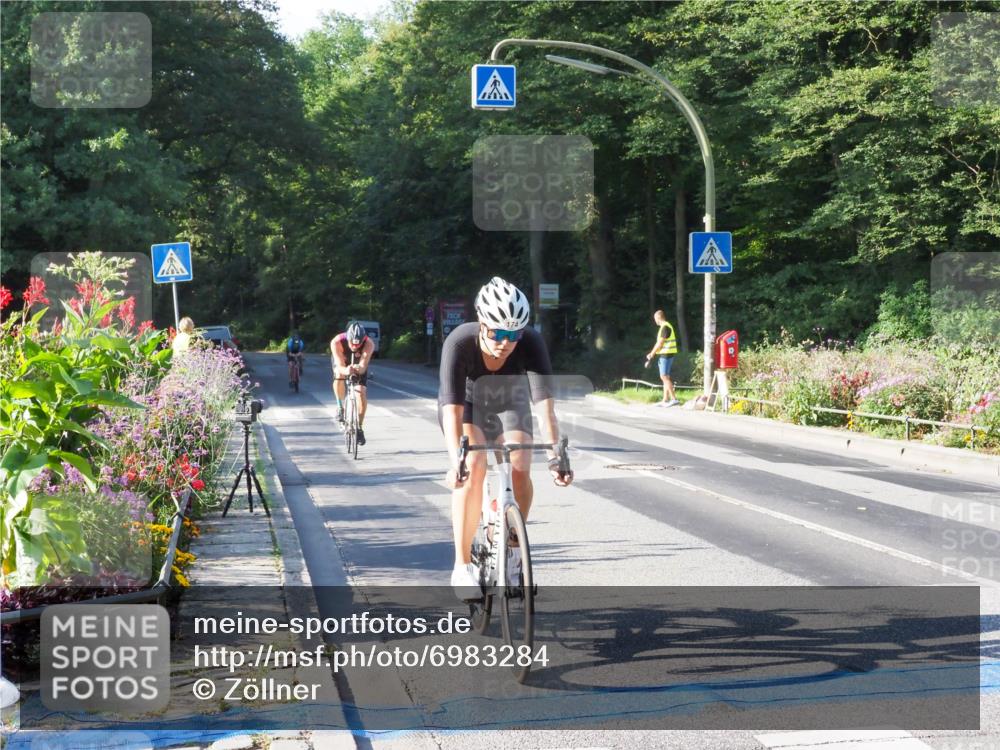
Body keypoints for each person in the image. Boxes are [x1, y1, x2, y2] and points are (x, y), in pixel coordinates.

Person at [439, 277, 573, 600]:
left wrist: (556, 456)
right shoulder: (459, 343)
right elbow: (452, 413)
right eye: (497, 333)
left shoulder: (531, 342)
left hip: (510, 401)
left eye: (513, 334)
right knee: (473, 464)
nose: (505, 342)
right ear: (481, 323)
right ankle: (461, 565)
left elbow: (544, 408)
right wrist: (455, 461)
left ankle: (513, 554)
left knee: (521, 463)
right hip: (468, 403)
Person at [330, 321, 374, 445]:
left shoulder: (369, 343)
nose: (355, 346)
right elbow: (339, 365)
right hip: (343, 361)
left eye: (358, 344)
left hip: (358, 363)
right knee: (339, 376)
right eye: (352, 343)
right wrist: (346, 370)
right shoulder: (337, 342)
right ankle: (340, 407)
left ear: (363, 339)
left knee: (360, 393)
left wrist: (358, 369)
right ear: (348, 337)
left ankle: (359, 427)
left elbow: (363, 365)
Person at [644, 309, 680, 406]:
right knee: (666, 377)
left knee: (663, 376)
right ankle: (665, 399)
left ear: (658, 318)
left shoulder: (664, 327)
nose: (655, 321)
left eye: (655, 318)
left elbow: (660, 343)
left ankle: (674, 399)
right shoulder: (666, 326)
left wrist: (652, 354)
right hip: (668, 354)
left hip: (666, 354)